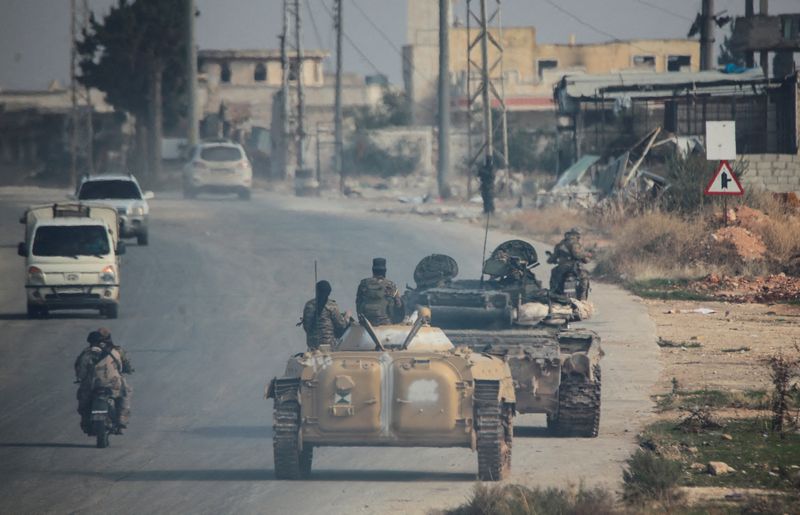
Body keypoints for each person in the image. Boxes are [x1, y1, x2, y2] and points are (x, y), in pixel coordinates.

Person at [74, 328, 133, 434]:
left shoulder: (87, 352)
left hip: (91, 385)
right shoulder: (117, 351)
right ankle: (122, 419)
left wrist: (81, 379)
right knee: (125, 393)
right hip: (114, 384)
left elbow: (81, 371)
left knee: (83, 402)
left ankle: (86, 422)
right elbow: (125, 366)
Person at [301, 280, 349, 350]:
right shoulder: (332, 306)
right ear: (329, 292)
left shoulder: (309, 305)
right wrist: (347, 317)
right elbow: (341, 325)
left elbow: (306, 326)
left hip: (312, 345)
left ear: (317, 291)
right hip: (329, 345)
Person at [356, 257, 404, 326]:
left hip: (367, 323)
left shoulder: (363, 284)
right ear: (384, 271)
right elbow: (398, 305)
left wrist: (361, 319)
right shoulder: (390, 285)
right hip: (385, 323)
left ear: (373, 270)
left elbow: (358, 303)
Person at [547, 227, 591, 300]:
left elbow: (552, 258)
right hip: (575, 268)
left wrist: (551, 260)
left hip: (562, 268)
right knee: (584, 280)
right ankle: (583, 300)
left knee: (554, 280)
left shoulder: (560, 244)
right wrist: (586, 255)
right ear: (577, 236)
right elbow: (578, 255)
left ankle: (553, 297)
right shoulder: (576, 244)